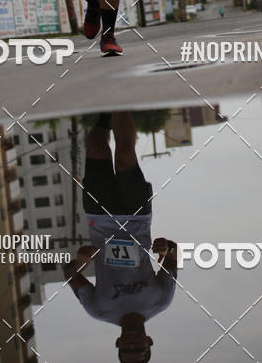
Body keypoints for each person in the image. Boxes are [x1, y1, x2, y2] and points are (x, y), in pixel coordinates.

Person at [64, 112, 177, 361]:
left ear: (118, 343)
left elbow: (70, 276)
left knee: (96, 146)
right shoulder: (161, 300)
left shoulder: (99, 310)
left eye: (126, 349)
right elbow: (173, 254)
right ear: (149, 341)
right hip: (136, 218)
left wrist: (81, 261)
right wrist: (165, 248)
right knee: (125, 156)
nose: (132, 344)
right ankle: (119, 104)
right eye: (139, 348)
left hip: (99, 220)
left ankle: (106, 115)